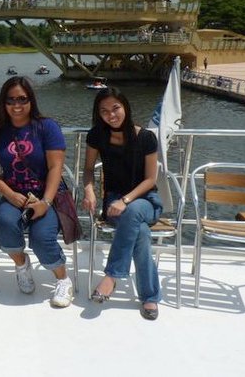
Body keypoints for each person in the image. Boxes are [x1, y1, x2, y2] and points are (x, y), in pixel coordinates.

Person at [0, 76, 73, 307]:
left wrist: (45, 202)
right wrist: (10, 195)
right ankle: (21, 264)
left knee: (42, 238)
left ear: (31, 100)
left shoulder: (46, 127)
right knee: (4, 225)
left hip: (46, 195)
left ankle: (63, 279)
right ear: (3, 103)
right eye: (11, 100)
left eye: (22, 99)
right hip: (15, 195)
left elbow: (55, 167)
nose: (17, 105)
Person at [81, 87, 162, 320]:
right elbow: (88, 170)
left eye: (115, 108)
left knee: (134, 211)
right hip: (113, 201)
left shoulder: (145, 137)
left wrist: (126, 200)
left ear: (125, 106)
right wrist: (89, 191)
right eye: (104, 111)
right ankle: (149, 297)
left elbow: (150, 179)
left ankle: (112, 276)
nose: (111, 115)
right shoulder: (97, 135)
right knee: (142, 233)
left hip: (146, 201)